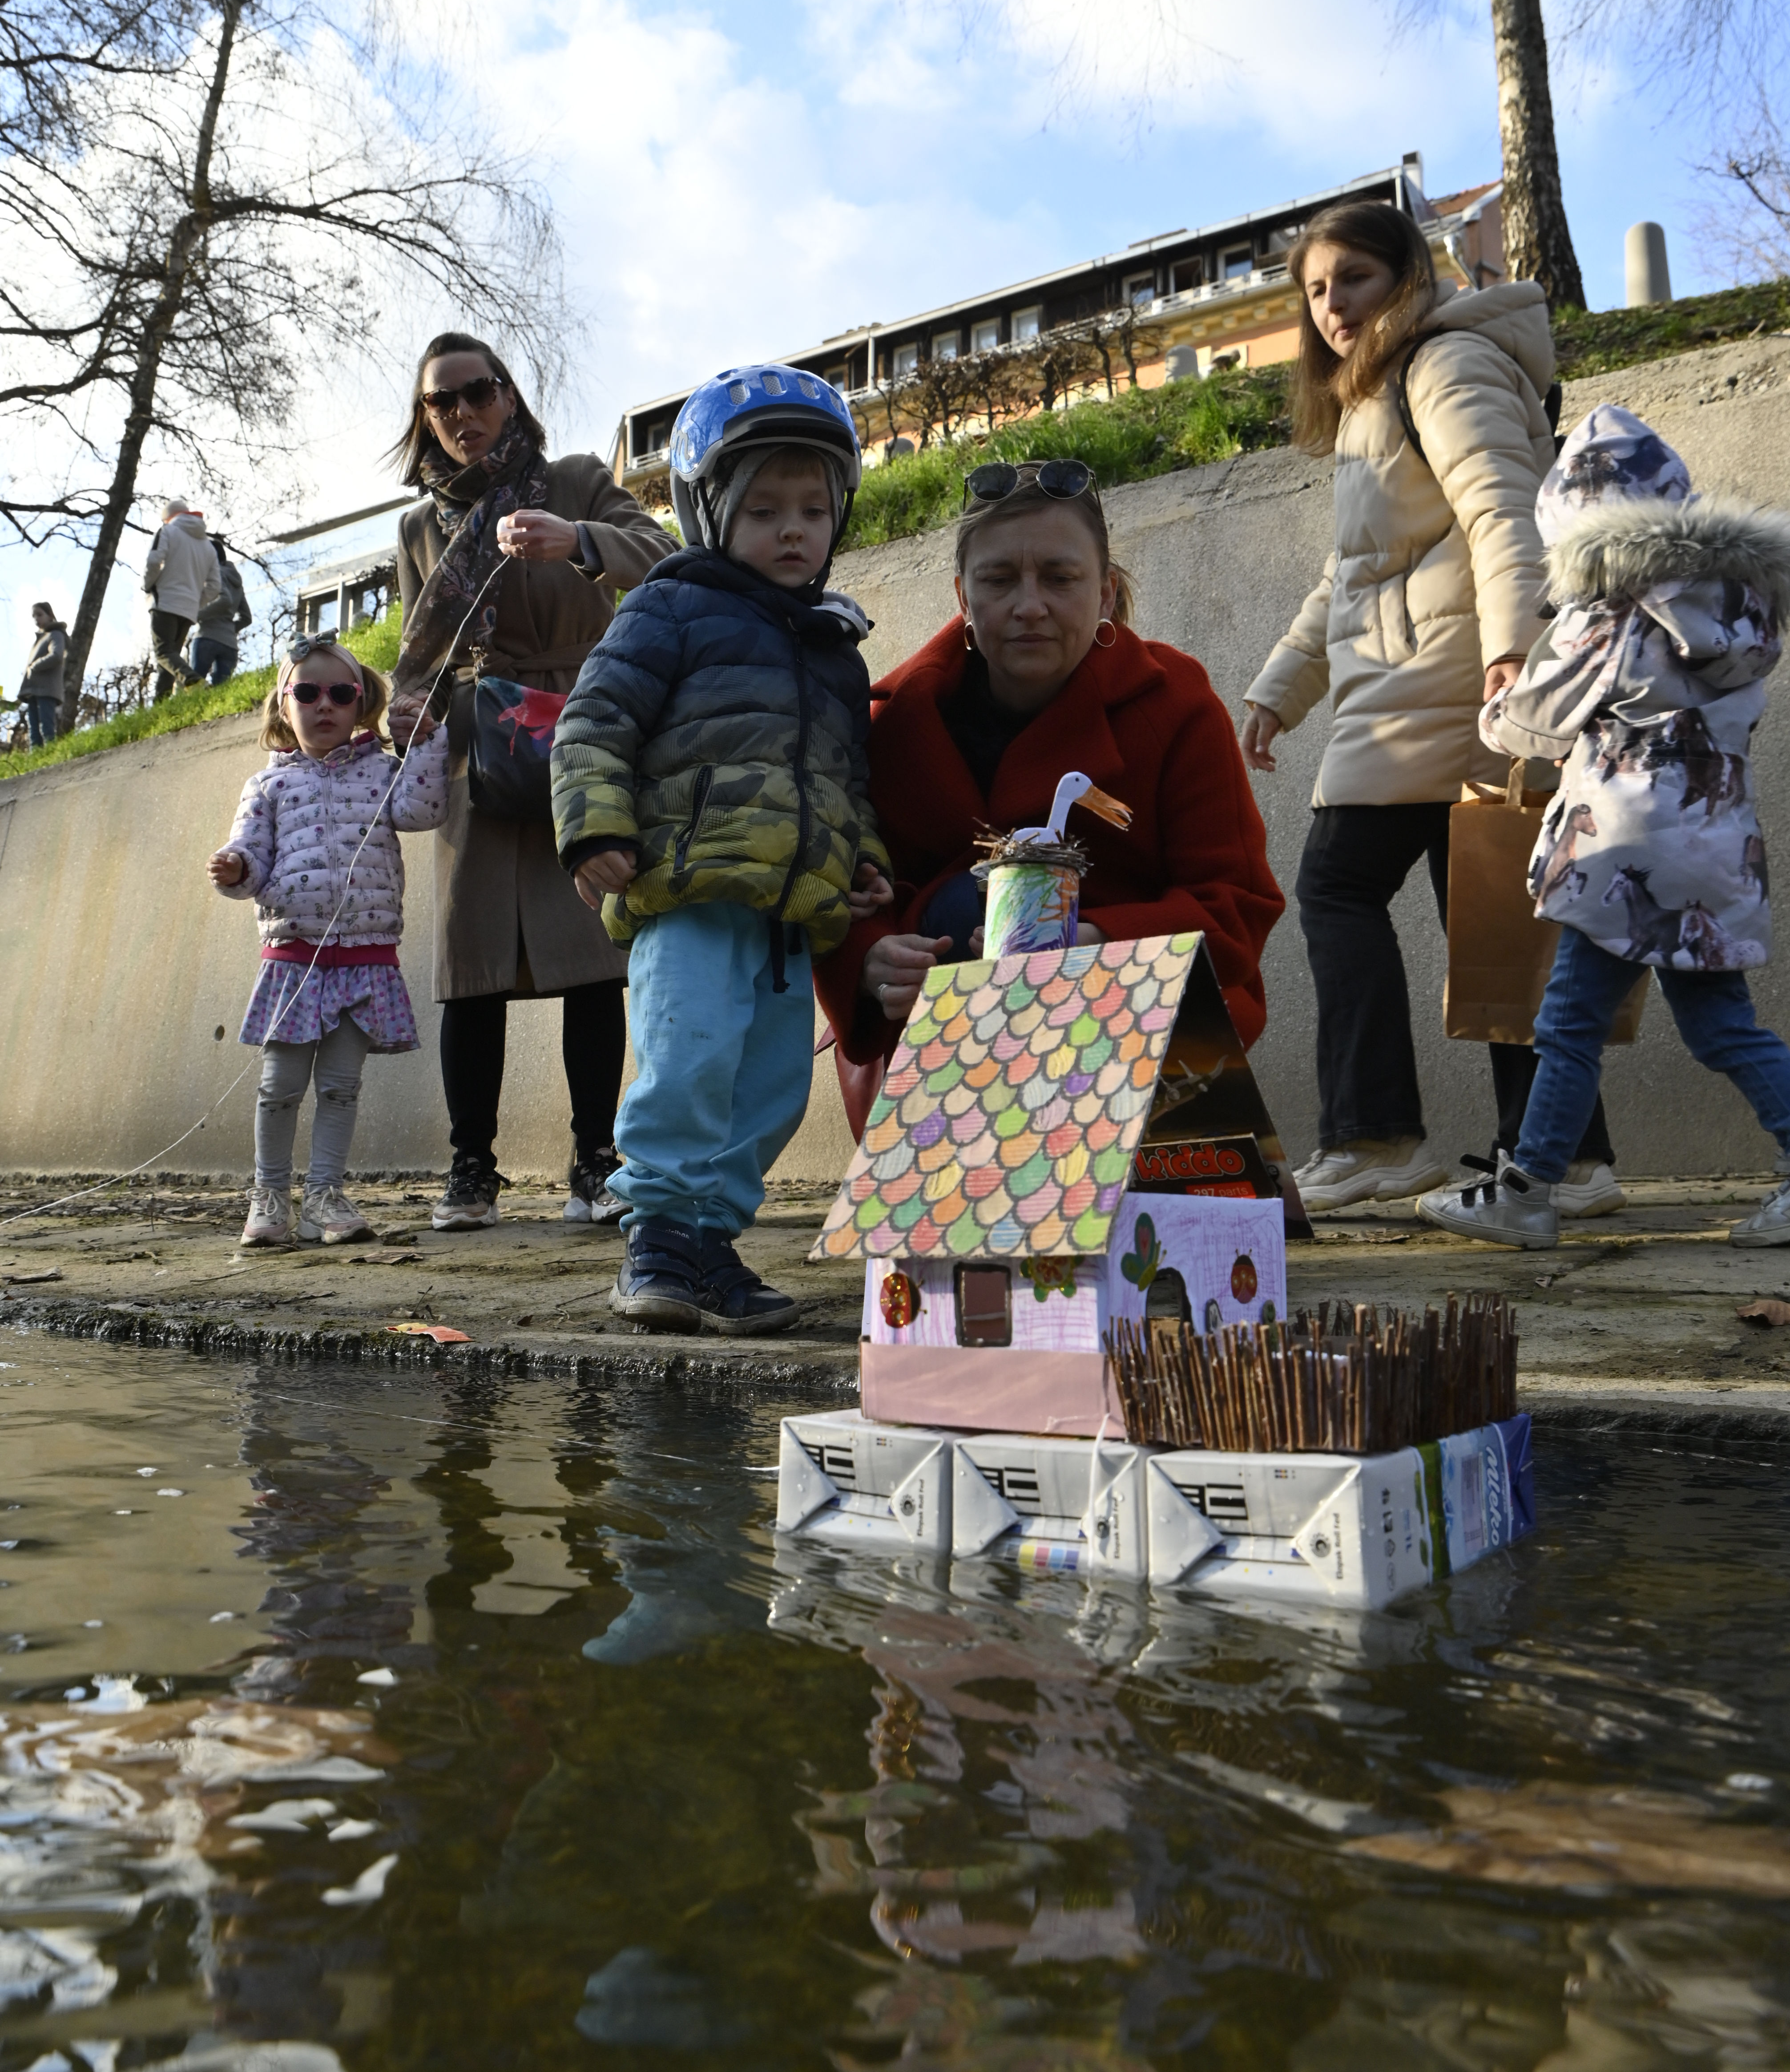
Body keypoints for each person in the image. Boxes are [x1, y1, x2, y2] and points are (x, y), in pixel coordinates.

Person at [1238, 197, 1620, 1217]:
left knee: (1339, 887)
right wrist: (1278, 690)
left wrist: (1512, 651)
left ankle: (1373, 1139)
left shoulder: (1439, 365)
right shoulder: (1375, 397)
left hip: (1446, 688)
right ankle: (1563, 1162)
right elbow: (1349, 576)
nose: (1329, 307)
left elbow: (1504, 508)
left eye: (1350, 281)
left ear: (1406, 275)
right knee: (1489, 918)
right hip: (1408, 690)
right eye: (1314, 291)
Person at [552, 363, 892, 1335]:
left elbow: (844, 775)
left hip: (790, 918)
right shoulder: (670, 607)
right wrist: (596, 826)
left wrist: (862, 854)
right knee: (689, 1057)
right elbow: (594, 721)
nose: (793, 530)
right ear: (710, 516)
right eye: (765, 510)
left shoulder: (836, 650)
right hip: (692, 894)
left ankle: (709, 1242)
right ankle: (657, 1232)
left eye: (813, 511)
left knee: (770, 1088)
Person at [1420, 405, 1790, 1249]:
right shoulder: (1737, 605)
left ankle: (1527, 1188)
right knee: (1721, 1026)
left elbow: (1532, 726)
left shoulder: (1606, 609)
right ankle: (1533, 1179)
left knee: (1566, 1024)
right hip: (1712, 845)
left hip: (1620, 853)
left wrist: (1496, 706)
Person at [815, 458, 1283, 1099]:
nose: (1029, 606)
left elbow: (1235, 906)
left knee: (1011, 908)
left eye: (1060, 578)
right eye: (999, 580)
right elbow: (843, 894)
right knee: (964, 907)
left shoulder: (1178, 705)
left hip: (1142, 1025)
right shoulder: (896, 724)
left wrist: (1089, 944)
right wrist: (872, 961)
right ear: (963, 598)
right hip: (938, 1060)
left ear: (1107, 593)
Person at [384, 333, 675, 1232]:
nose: (465, 413)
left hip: (580, 728)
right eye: (445, 402)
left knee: (593, 955)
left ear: (508, 396)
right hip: (477, 743)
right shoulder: (418, 527)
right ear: (426, 421)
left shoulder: (576, 477)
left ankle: (595, 1162)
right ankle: (471, 1168)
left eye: (479, 392)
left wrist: (578, 540)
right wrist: (408, 709)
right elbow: (418, 653)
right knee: (470, 967)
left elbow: (664, 560)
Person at [209, 637, 449, 1250]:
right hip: (295, 960)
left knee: (342, 1086)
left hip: (365, 958)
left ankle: (323, 1196)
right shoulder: (267, 787)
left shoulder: (383, 771)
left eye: (342, 694)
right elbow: (252, 855)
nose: (325, 705)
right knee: (279, 1086)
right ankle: (268, 1197)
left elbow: (423, 812)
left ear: (361, 704)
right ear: (283, 705)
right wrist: (236, 867)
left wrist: (423, 740)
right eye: (308, 692)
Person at [142, 500, 221, 700]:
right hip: (188, 611)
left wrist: (148, 586)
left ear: (168, 517)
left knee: (163, 654)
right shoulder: (209, 547)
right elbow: (215, 587)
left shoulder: (167, 531)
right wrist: (196, 602)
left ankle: (194, 681)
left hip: (165, 602)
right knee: (171, 659)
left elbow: (153, 561)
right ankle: (161, 706)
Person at [189, 540, 253, 687]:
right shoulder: (236, 581)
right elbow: (247, 618)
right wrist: (229, 629)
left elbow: (225, 600)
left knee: (195, 686)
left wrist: (197, 615)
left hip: (207, 637)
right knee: (221, 693)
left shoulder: (213, 574)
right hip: (230, 645)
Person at [18, 603, 66, 746]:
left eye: (39, 615)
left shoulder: (56, 634)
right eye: (34, 616)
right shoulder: (40, 639)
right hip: (34, 691)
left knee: (47, 728)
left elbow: (57, 656)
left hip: (47, 691)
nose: (36, 619)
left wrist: (35, 666)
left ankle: (52, 757)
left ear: (50, 615)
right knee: (34, 731)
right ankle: (38, 760)